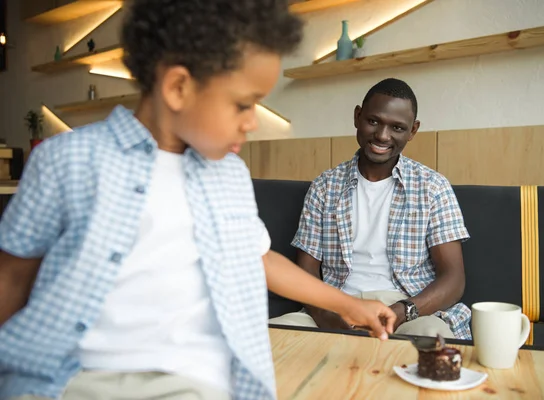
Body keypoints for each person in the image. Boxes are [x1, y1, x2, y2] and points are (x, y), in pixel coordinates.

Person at [0, 2, 397, 399]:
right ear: (178, 88)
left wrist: (348, 304)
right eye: (243, 104)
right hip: (72, 380)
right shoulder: (67, 160)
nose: (252, 121)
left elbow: (257, 259)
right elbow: (12, 277)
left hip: (193, 382)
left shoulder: (228, 175)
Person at [269, 78, 472, 340]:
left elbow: (454, 279)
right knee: (271, 337)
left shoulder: (433, 187)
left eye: (397, 127)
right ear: (358, 116)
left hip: (408, 310)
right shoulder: (324, 187)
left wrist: (403, 310)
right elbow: (306, 271)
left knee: (433, 339)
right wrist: (329, 316)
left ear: (413, 131)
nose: (383, 135)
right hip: (336, 305)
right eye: (373, 121)